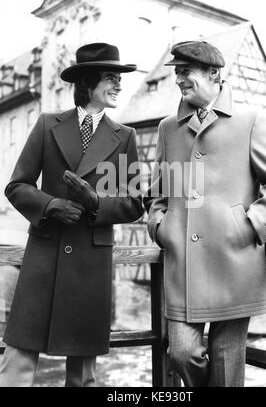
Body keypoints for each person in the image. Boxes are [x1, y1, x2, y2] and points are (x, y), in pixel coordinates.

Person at [144, 40, 266, 387]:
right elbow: (157, 192)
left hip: (235, 262)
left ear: (213, 73)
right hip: (183, 265)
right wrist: (159, 225)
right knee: (181, 352)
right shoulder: (168, 127)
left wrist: (248, 227)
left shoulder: (252, 120)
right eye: (177, 72)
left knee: (227, 364)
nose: (179, 79)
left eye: (186, 71)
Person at [0, 43, 144, 387]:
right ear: (88, 82)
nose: (119, 85)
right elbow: (17, 186)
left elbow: (136, 203)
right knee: (17, 362)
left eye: (119, 79)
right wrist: (50, 205)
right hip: (44, 255)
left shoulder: (126, 137)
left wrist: (95, 202)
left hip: (90, 263)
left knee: (83, 375)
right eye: (112, 77)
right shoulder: (48, 124)